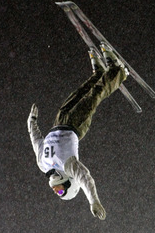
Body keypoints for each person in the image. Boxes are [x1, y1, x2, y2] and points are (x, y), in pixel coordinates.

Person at [27, 43, 128, 220]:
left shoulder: (43, 164)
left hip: (59, 122)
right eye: (60, 190)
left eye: (56, 192)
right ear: (69, 183)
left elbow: (36, 140)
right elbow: (85, 179)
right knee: (94, 96)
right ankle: (118, 71)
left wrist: (32, 122)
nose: (55, 189)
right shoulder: (68, 166)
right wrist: (93, 200)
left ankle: (98, 74)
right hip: (75, 125)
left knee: (78, 94)